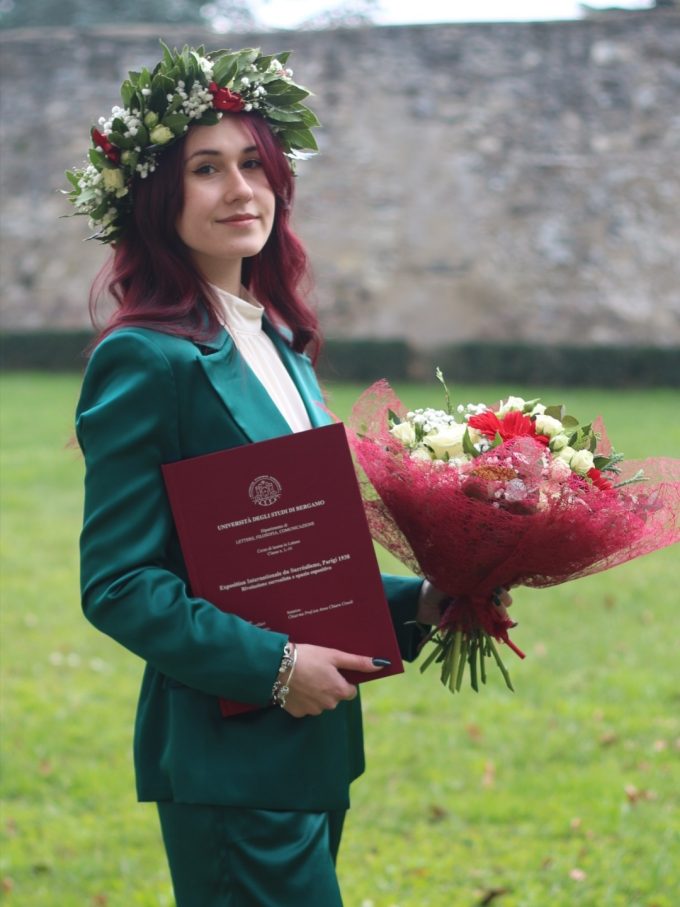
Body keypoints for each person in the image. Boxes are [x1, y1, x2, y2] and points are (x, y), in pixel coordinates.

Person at [69, 43, 508, 906]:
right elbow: (119, 583)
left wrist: (426, 600)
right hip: (226, 753)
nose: (242, 189)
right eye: (206, 169)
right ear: (156, 198)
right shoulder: (145, 358)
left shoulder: (279, 342)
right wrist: (274, 666)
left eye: (253, 164)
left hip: (311, 748)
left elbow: (295, 563)